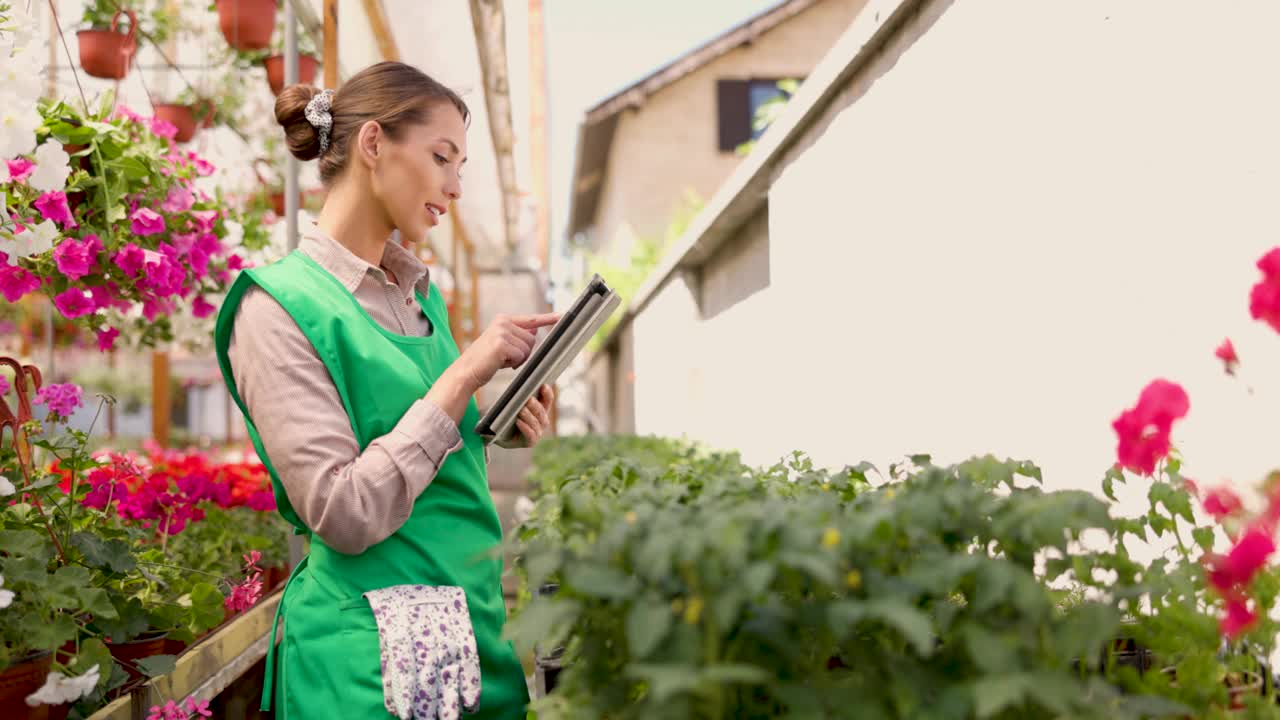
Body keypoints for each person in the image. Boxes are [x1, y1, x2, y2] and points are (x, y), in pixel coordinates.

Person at [213, 61, 556, 720]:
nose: (455, 186)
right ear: (374, 144)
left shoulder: (415, 297)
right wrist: (461, 377)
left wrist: (487, 425)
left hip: (470, 628)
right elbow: (343, 511)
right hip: (368, 659)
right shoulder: (276, 308)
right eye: (442, 157)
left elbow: (417, 454)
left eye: (462, 167)